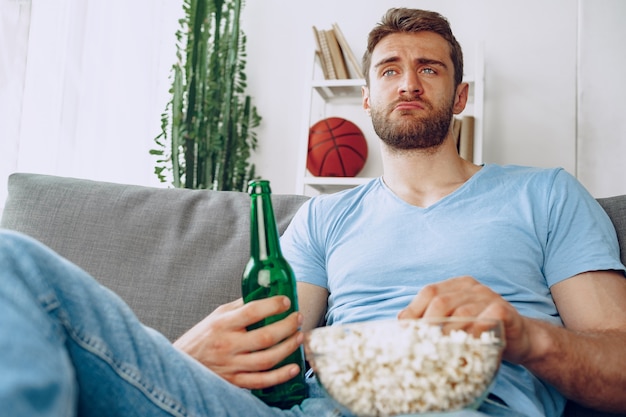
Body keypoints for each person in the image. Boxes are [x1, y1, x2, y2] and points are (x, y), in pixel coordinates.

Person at [1, 7, 625, 417]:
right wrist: (186, 355)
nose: (409, 82)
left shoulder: (545, 194)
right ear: (367, 98)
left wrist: (522, 336)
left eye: (429, 68)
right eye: (390, 69)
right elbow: (273, 350)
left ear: (459, 95)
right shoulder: (324, 220)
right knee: (14, 264)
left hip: (465, 406)